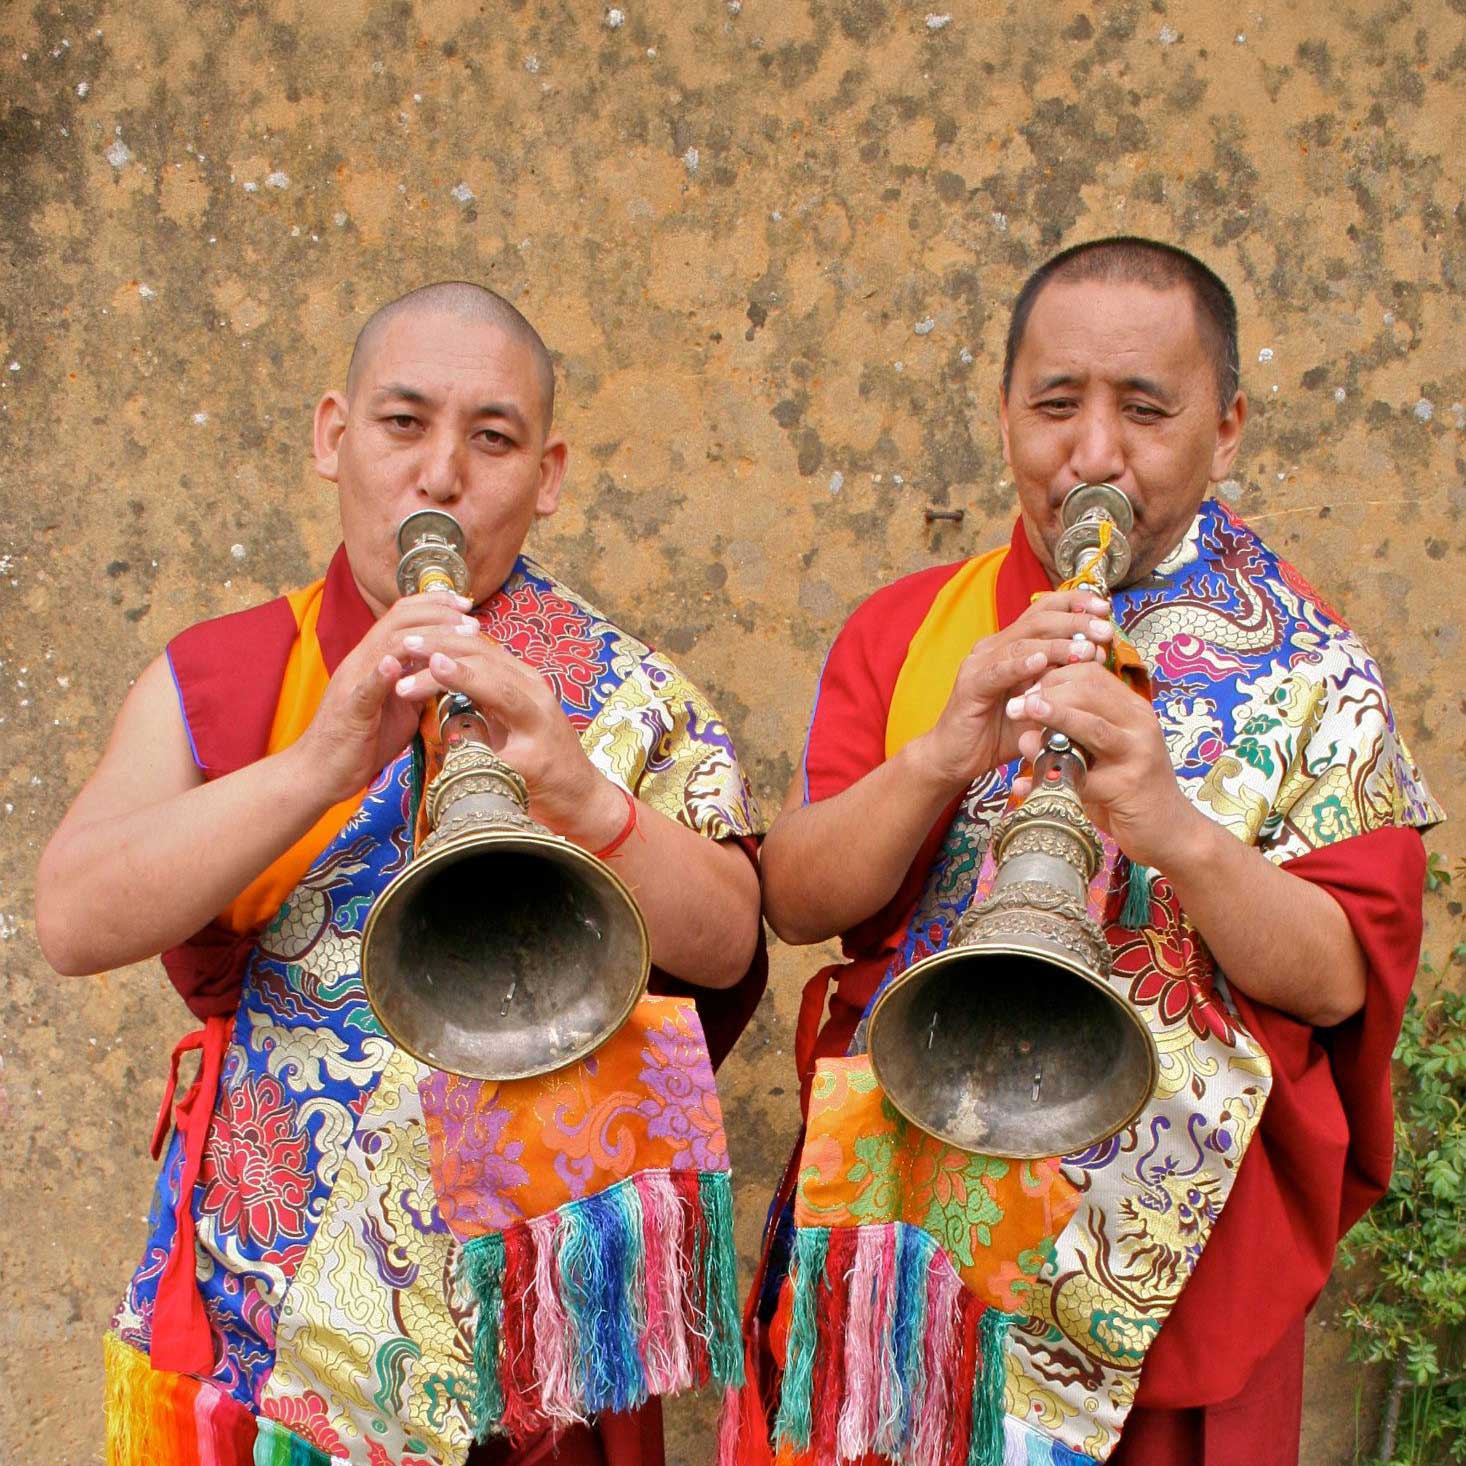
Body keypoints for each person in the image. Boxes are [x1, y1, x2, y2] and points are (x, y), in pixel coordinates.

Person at [36, 282, 765, 1466]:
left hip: (538, 1320)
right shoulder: (232, 666)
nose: (440, 476)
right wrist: (320, 762)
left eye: (492, 438)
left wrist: (580, 794)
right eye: (401, 424)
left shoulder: (628, 692)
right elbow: (71, 916)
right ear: (333, 435)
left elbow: (732, 942)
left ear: (549, 472)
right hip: (265, 1307)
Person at [747, 238, 1440, 1465]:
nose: (1093, 454)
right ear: (1004, 410)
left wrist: (1169, 824)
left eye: (1145, 409)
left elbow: (1339, 975)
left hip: (1162, 1243)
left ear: (1223, 429)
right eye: (1055, 404)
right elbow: (797, 899)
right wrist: (939, 752)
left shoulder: (1314, 671)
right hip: (912, 1203)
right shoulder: (912, 628)